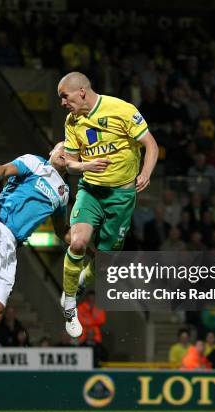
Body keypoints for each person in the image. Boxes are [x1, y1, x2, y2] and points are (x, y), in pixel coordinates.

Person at [0, 142, 104, 408]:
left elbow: (64, 232)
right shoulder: (36, 162)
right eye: (62, 148)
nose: (65, 153)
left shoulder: (63, 194)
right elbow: (4, 169)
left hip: (12, 246)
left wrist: (89, 248)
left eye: (71, 153)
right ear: (52, 151)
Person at [57, 72, 159, 337]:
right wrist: (85, 165)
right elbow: (69, 163)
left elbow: (150, 145)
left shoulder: (122, 110)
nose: (63, 103)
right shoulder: (72, 121)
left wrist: (146, 173)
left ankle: (80, 281)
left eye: (64, 97)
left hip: (121, 198)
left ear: (81, 91)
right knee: (77, 242)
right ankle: (70, 303)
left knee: (103, 263)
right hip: (91, 190)